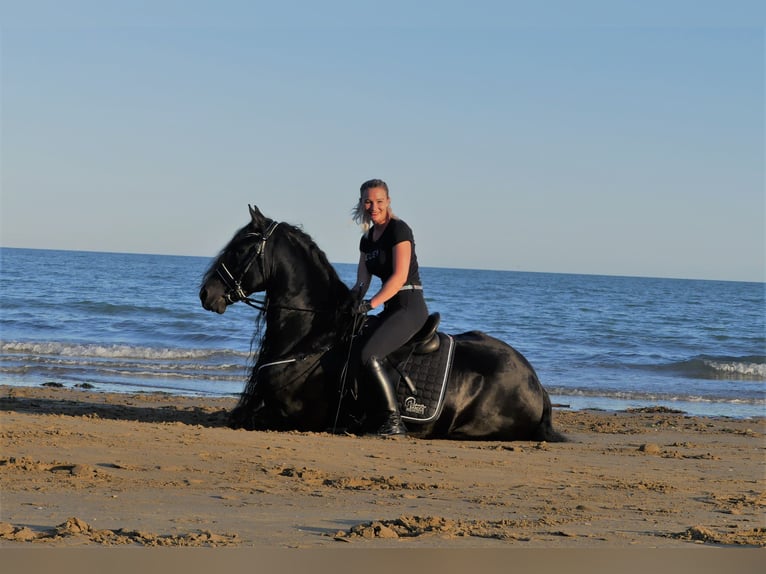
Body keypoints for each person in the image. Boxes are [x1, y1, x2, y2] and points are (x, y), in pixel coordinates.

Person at [350, 179, 429, 436]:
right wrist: (349, 302)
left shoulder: (399, 230)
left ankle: (394, 422)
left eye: (379, 201)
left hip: (409, 306)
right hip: (390, 309)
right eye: (368, 202)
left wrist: (370, 305)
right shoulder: (367, 239)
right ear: (362, 203)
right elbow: (362, 282)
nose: (374, 207)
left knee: (370, 355)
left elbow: (398, 278)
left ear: (388, 202)